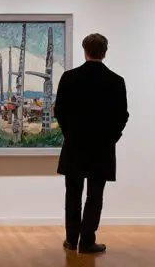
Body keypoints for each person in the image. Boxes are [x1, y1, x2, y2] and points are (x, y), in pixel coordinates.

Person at [53, 33, 129, 254]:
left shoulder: (69, 78)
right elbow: (122, 116)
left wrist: (70, 134)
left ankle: (71, 239)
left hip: (75, 145)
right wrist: (110, 139)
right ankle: (87, 241)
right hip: (102, 148)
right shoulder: (116, 81)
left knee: (73, 193)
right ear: (105, 52)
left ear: (84, 50)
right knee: (95, 195)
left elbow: (59, 111)